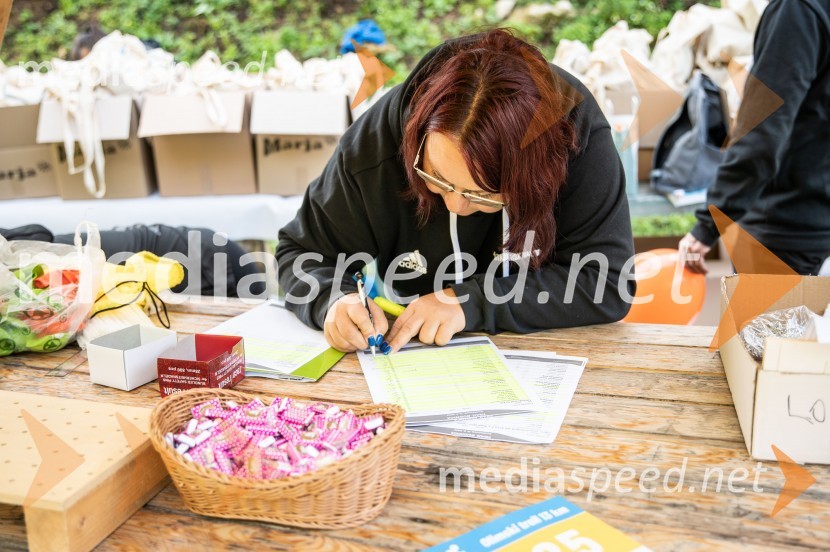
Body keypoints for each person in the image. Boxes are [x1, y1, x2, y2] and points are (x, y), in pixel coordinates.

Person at [277, 29, 635, 354]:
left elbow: (606, 283)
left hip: (544, 356)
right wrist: (333, 301)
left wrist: (469, 301)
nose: (455, 204)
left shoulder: (573, 140)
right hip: (415, 360)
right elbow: (300, 253)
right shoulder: (375, 148)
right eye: (436, 177)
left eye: (482, 195)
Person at [680, 0, 830, 275]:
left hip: (786, 235)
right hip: (809, 227)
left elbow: (763, 134)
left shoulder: (798, 10)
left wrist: (709, 225)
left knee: (764, 320)